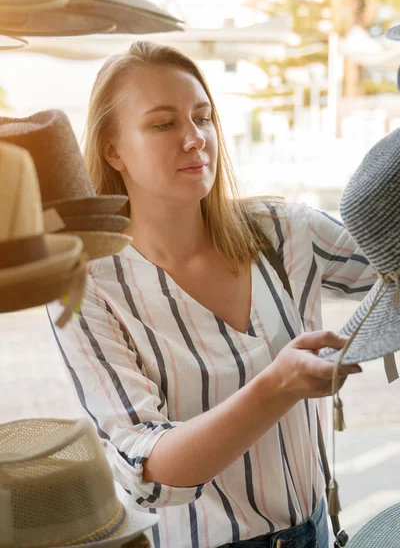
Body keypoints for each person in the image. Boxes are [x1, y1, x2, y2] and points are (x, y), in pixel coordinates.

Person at [47, 41, 376, 548]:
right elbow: (148, 466)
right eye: (164, 124)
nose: (195, 137)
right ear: (114, 150)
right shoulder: (84, 288)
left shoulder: (284, 231)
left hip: (316, 532)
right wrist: (279, 385)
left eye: (203, 117)